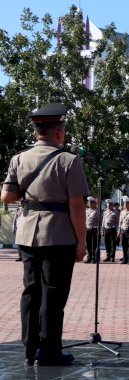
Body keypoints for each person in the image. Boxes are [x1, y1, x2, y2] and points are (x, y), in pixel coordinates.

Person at [2, 102, 88, 366]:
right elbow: (76, 205)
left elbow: (7, 196)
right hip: (59, 234)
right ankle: (49, 351)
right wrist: (82, 241)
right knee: (53, 293)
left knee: (31, 291)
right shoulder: (69, 160)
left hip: (28, 233)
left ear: (36, 131)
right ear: (59, 132)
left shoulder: (19, 158)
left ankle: (29, 348)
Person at [118, 197, 129, 264]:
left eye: (126, 203)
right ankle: (124, 259)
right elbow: (120, 222)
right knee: (124, 245)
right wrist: (119, 231)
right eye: (124, 203)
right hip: (123, 230)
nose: (125, 205)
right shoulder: (122, 212)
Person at [84, 197, 99, 263]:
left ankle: (93, 258)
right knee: (88, 244)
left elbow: (100, 221)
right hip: (87, 228)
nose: (89, 204)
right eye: (88, 202)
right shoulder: (86, 210)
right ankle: (89, 257)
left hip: (94, 229)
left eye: (90, 202)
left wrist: (99, 230)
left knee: (94, 244)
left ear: (94, 203)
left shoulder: (97, 211)